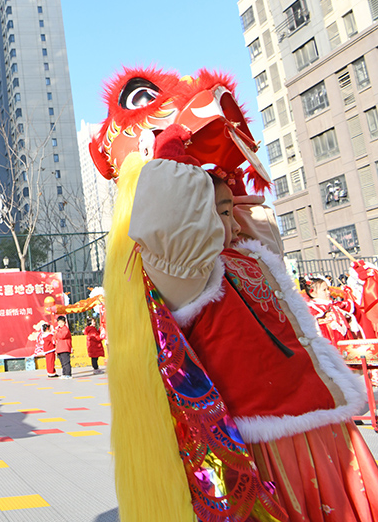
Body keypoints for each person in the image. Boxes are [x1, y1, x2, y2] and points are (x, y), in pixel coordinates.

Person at [125, 130, 378, 521]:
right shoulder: (191, 275)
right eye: (223, 213)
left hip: (323, 422)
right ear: (197, 218)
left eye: (233, 211)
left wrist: (230, 179)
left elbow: (258, 225)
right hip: (266, 438)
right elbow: (171, 216)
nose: (237, 222)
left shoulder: (248, 256)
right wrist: (175, 151)